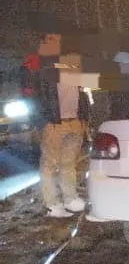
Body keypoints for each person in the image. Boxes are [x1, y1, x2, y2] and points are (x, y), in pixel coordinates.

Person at [33, 33, 91, 218]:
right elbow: (33, 97)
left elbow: (82, 93)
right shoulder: (39, 68)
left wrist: (84, 118)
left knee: (68, 163)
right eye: (52, 40)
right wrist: (44, 121)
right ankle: (52, 204)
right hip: (54, 124)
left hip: (74, 122)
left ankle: (70, 198)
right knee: (49, 165)